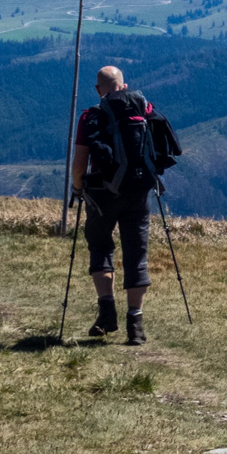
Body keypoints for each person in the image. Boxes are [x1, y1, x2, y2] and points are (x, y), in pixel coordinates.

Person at [72, 66, 161, 344]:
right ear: (124, 86)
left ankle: (107, 311)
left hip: (102, 193)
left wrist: (78, 188)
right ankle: (135, 324)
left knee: (100, 246)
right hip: (138, 192)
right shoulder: (145, 108)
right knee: (137, 252)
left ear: (99, 89)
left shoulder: (91, 116)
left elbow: (80, 162)